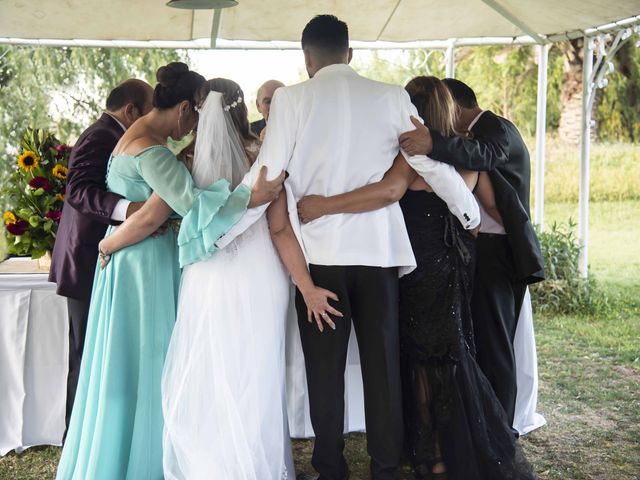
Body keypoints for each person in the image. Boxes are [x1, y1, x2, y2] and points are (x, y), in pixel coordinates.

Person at [214, 16, 480, 480]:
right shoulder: (391, 96)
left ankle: (330, 467)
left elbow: (267, 177)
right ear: (350, 54)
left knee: (325, 370)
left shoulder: (291, 101)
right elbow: (426, 161)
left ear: (306, 59)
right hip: (378, 257)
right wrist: (469, 211)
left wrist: (222, 232)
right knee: (382, 369)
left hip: (320, 261)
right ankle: (385, 468)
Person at [296, 76, 536, 480]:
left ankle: (430, 449)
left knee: (422, 355)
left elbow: (389, 192)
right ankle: (437, 446)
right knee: (444, 352)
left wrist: (322, 206)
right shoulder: (463, 156)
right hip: (445, 265)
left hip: (416, 266)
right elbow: (477, 216)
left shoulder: (409, 158)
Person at [56, 62, 283, 480]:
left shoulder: (130, 139)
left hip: (127, 265)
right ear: (183, 109)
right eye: (195, 114)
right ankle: (145, 462)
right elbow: (188, 206)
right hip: (144, 267)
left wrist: (109, 242)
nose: (198, 125)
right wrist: (251, 199)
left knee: (123, 364)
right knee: (149, 362)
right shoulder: (155, 152)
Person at [159, 78, 340, 479]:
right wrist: (305, 285)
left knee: (214, 367)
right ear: (245, 110)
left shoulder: (185, 160)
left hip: (208, 278)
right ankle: (257, 466)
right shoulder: (264, 159)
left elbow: (180, 218)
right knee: (257, 371)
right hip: (260, 276)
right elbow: (279, 229)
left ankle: (214, 464)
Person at [399, 78, 545, 427]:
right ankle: (484, 421)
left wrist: (432, 142)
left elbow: (483, 157)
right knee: (483, 339)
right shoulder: (472, 135)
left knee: (496, 344)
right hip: (483, 247)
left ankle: (502, 430)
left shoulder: (498, 128)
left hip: (500, 248)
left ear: (457, 107)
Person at [49, 78, 153, 432]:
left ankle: (91, 433)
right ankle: (75, 437)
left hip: (98, 257)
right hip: (86, 258)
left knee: (95, 351)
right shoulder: (102, 134)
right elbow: (78, 190)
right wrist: (132, 209)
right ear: (131, 110)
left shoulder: (111, 133)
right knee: (85, 354)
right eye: (150, 109)